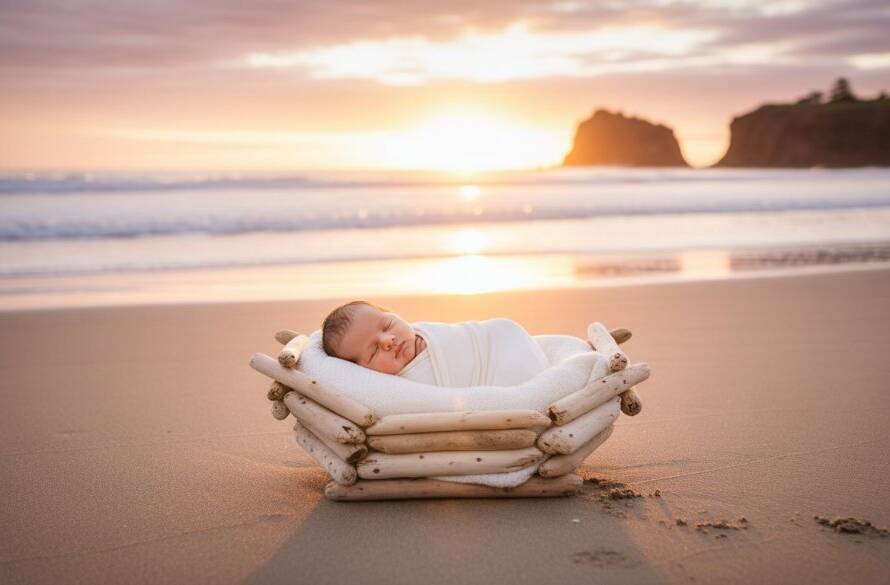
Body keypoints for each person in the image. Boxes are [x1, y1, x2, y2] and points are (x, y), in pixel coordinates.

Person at [321, 300, 549, 387]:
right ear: (363, 371)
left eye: (388, 324)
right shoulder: (400, 387)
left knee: (504, 328)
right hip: (493, 379)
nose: (388, 341)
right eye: (373, 351)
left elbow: (466, 336)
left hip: (499, 340)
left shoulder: (421, 330)